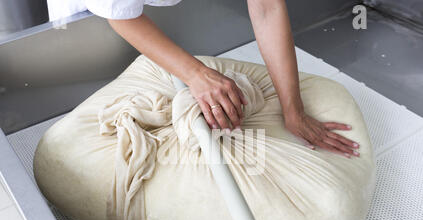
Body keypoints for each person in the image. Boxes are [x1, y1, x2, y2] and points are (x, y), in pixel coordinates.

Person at [47, 0, 360, 158]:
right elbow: (117, 12)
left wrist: (293, 110)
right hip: (89, 19)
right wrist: (196, 74)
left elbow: (265, 7)